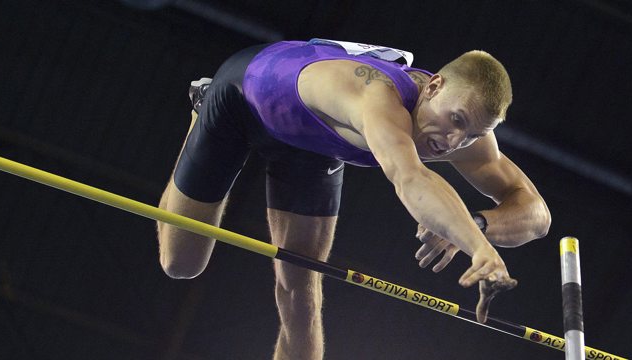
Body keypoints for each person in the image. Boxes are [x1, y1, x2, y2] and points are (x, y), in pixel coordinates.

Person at [156, 39, 551, 360]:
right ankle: (199, 109)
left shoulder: (466, 130)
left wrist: (477, 225)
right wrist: (478, 249)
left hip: (313, 145)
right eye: (457, 121)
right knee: (181, 264)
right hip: (242, 99)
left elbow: (536, 215)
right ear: (433, 87)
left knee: (301, 293)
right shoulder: (377, 98)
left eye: (471, 135)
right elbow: (410, 178)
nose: (453, 142)